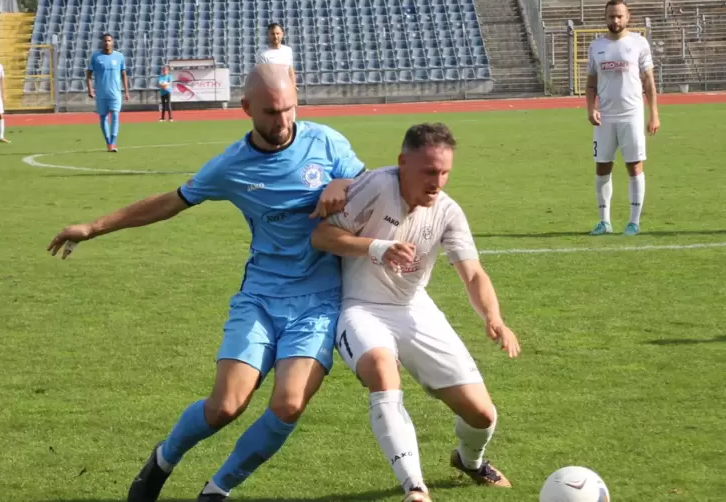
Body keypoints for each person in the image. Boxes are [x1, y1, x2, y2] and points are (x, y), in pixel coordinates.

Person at [47, 64, 366, 502]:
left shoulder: (326, 141)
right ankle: (163, 459)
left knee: (289, 404)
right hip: (260, 296)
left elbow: (371, 186)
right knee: (225, 407)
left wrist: (344, 181)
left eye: (290, 109)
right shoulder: (231, 166)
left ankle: (217, 490)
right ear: (246, 108)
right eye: (272, 112)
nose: (283, 121)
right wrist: (93, 226)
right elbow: (170, 202)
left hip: (318, 300)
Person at [311, 123, 519, 502]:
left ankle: (470, 461)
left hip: (414, 309)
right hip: (363, 308)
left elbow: (472, 273)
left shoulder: (448, 211)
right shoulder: (375, 186)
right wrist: (377, 247)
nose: (436, 182)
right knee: (381, 369)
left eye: (444, 172)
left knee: (482, 416)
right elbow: (322, 236)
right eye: (428, 171)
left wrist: (494, 318)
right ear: (402, 163)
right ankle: (415, 488)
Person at [586, 0, 660, 236]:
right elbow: (591, 83)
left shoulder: (639, 43)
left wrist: (653, 115)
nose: (615, 21)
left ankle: (633, 222)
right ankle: (604, 222)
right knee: (602, 167)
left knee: (634, 165)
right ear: (605, 17)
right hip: (605, 116)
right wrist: (590, 109)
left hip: (632, 115)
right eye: (611, 17)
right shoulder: (596, 46)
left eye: (619, 16)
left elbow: (649, 81)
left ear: (628, 16)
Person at [87, 33, 130, 152]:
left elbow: (123, 74)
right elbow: (89, 74)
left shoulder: (119, 56)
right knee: (103, 118)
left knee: (115, 115)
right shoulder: (96, 57)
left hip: (115, 93)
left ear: (113, 42)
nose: (107, 43)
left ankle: (113, 142)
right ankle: (108, 143)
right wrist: (90, 89)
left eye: (109, 40)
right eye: (105, 41)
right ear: (102, 42)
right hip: (101, 93)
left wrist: (126, 91)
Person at [255, 23, 295, 89]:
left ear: (282, 34)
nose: (275, 36)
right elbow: (262, 74)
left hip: (286, 89)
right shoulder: (262, 53)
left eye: (277, 33)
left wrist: (293, 85)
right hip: (270, 89)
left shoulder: (288, 50)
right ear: (268, 35)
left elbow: (290, 70)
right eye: (272, 34)